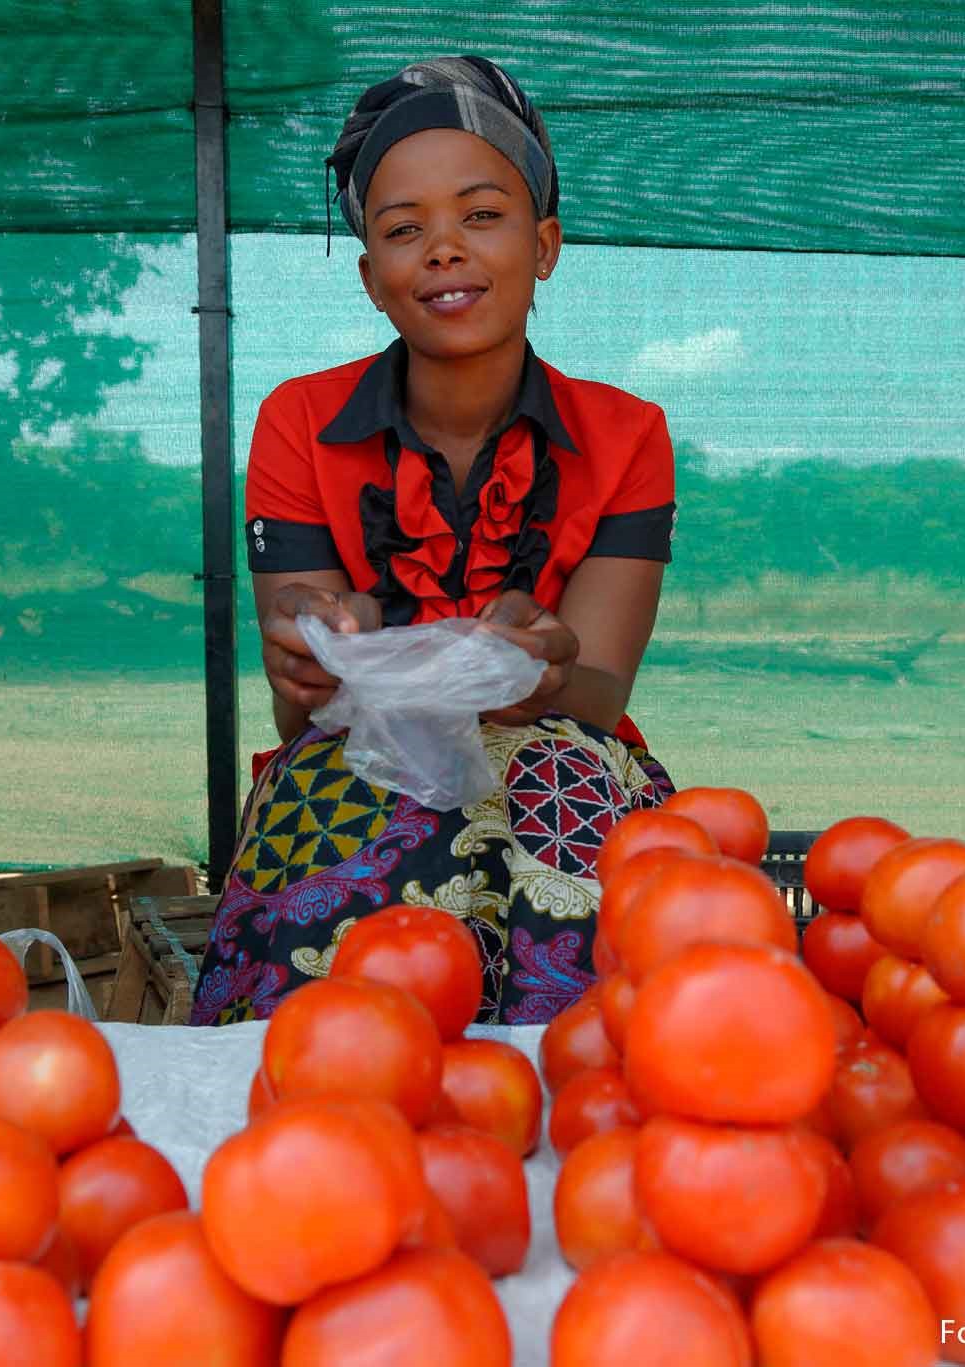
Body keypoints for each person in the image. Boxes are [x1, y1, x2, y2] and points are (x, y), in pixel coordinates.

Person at [192, 57, 676, 1027]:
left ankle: (564, 1069)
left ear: (544, 244)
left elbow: (600, 691)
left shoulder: (628, 433)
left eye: (481, 215)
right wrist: (323, 654)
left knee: (557, 775)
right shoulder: (298, 420)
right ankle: (334, 1081)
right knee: (333, 792)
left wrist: (538, 664)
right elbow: (302, 721)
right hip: (356, 753)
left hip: (564, 759)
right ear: (372, 277)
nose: (443, 249)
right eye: (403, 229)